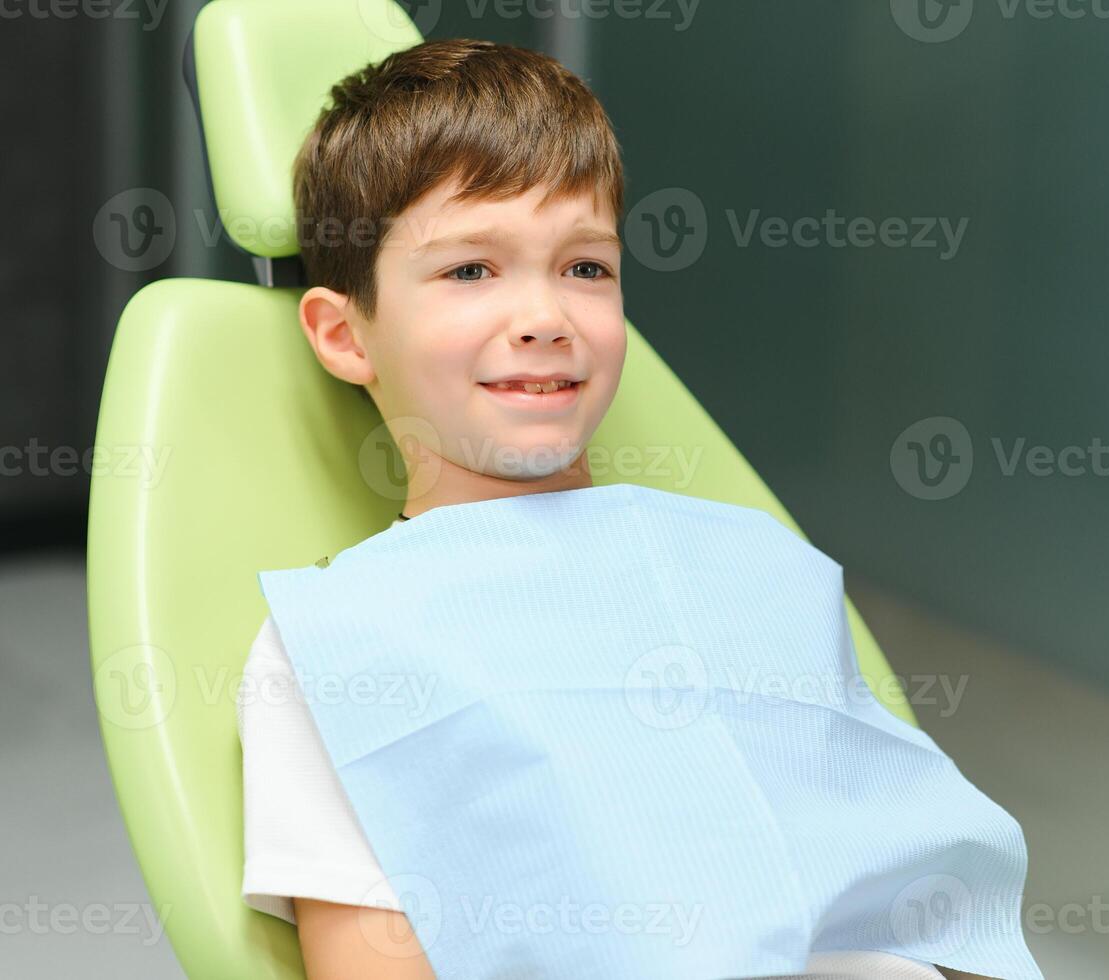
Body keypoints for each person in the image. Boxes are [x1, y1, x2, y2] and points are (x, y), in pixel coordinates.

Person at [236, 37, 1023, 980]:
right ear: (341, 333)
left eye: (585, 267)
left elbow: (917, 895)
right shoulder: (333, 649)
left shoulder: (751, 565)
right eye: (469, 271)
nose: (545, 315)